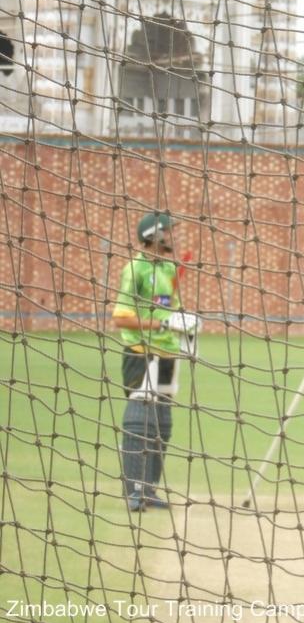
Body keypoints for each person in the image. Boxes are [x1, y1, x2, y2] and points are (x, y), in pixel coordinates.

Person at [111, 212, 200, 512]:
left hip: (167, 354)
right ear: (154, 235)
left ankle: (149, 490)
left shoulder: (166, 268)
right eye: (169, 232)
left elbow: (165, 311)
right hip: (141, 352)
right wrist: (161, 325)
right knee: (140, 419)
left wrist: (183, 327)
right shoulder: (134, 269)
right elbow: (120, 316)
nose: (173, 237)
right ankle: (133, 491)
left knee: (162, 423)